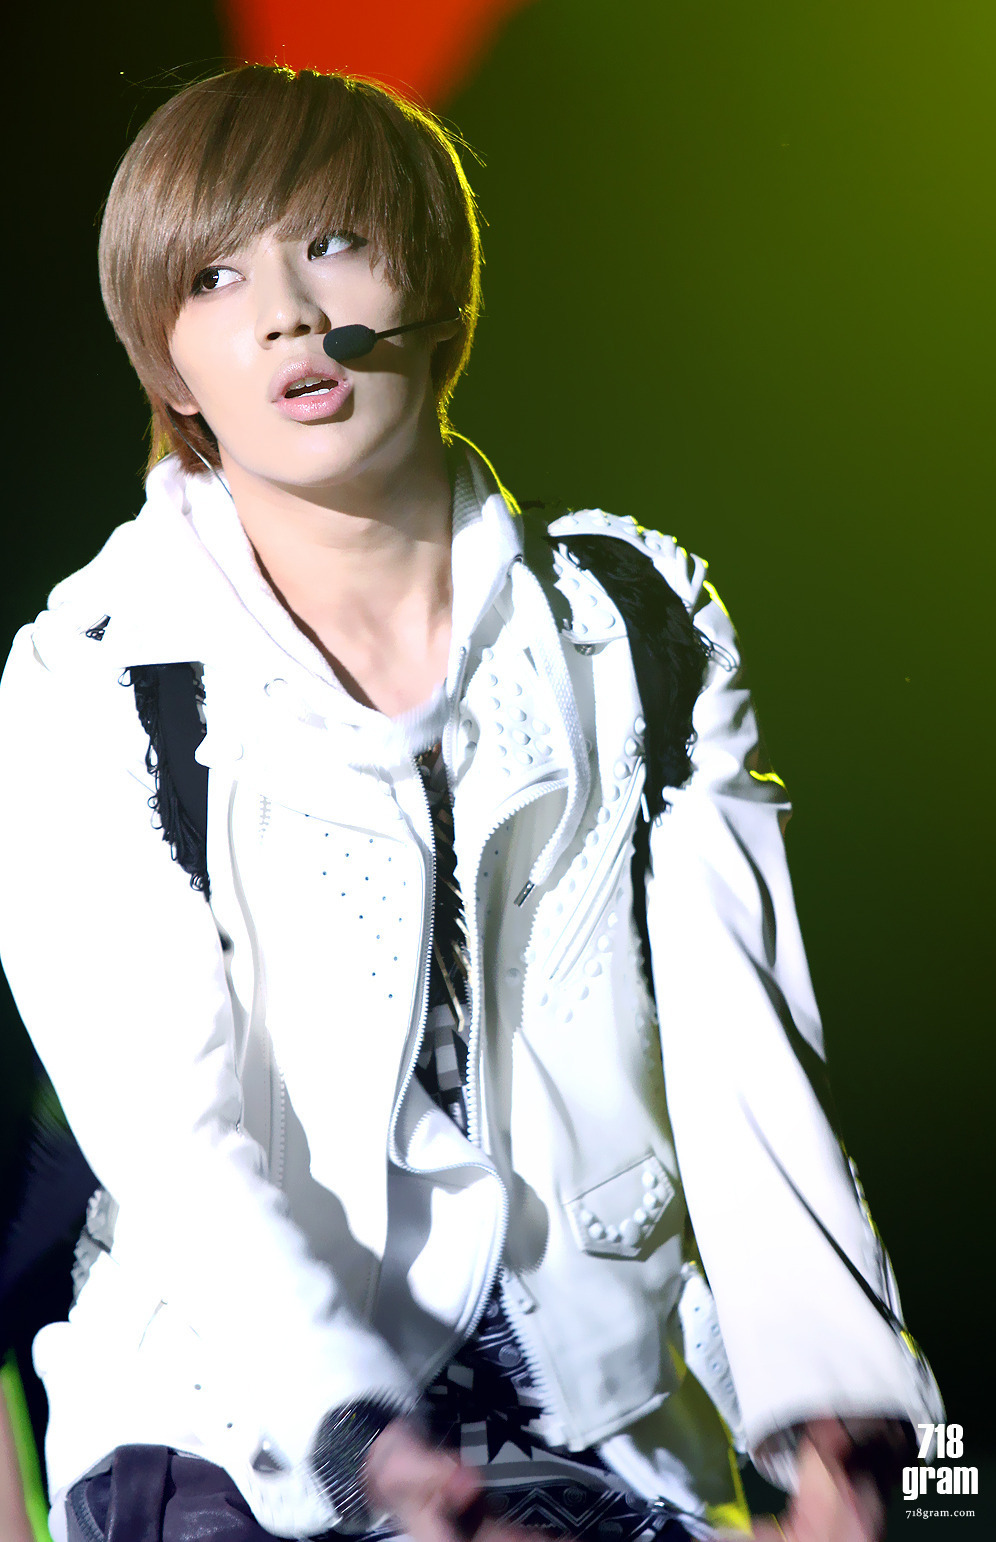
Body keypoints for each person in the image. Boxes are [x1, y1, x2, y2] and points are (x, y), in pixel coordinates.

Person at [0, 64, 942, 1542]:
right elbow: (164, 1132)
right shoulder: (94, 676)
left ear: (435, 289)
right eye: (215, 276)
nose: (287, 313)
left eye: (333, 244)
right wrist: (362, 1443)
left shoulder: (634, 620)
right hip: (238, 1435)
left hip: (601, 1425)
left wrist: (849, 1419)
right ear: (168, 366)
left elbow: (744, 1044)